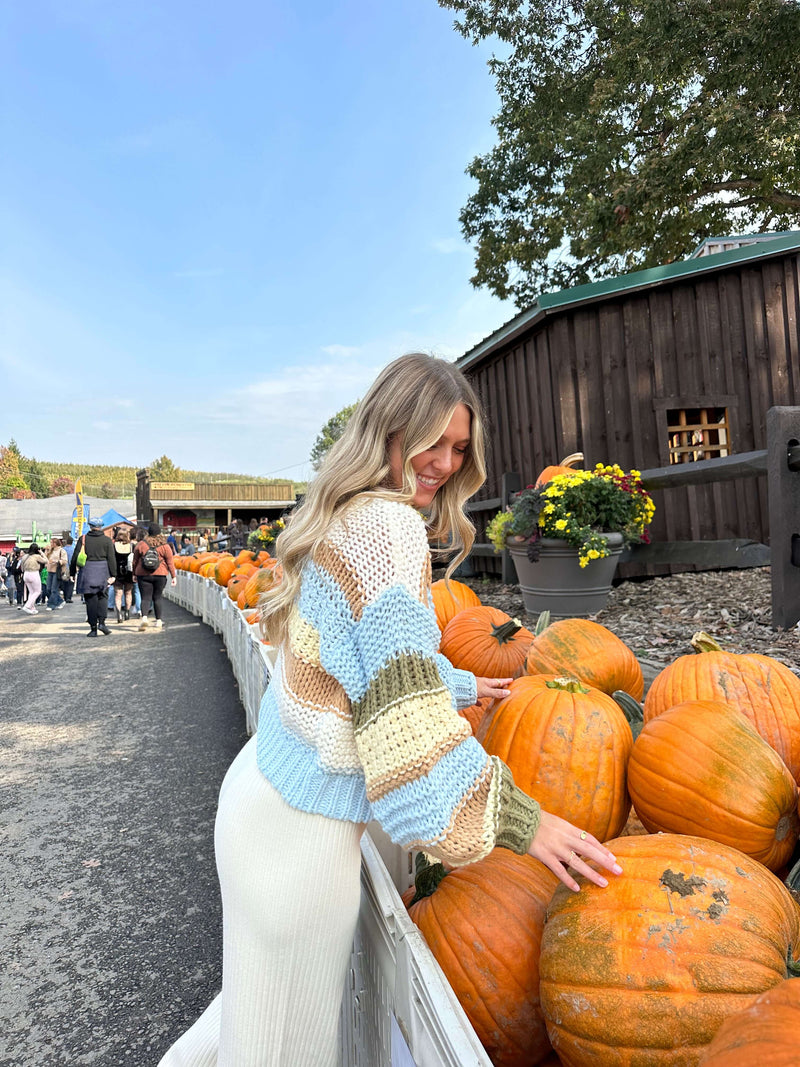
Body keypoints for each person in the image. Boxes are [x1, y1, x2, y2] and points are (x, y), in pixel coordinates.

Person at [156, 353, 623, 1067]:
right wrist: (525, 821)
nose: (442, 462)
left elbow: (354, 658)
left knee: (246, 1023)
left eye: (459, 448)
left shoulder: (349, 511)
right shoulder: (391, 528)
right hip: (303, 844)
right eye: (430, 440)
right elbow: (408, 734)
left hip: (262, 799)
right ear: (388, 428)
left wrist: (465, 686)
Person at [70, 517, 116, 636]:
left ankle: (93, 628)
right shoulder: (107, 540)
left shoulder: (83, 539)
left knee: (90, 600)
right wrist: (113, 575)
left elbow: (75, 556)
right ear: (101, 527)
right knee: (103, 597)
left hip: (87, 570)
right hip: (103, 570)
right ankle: (102, 622)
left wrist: (72, 573)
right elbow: (111, 558)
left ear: (90, 526)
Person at [132, 522, 176, 631]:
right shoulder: (165, 546)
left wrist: (134, 573)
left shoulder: (141, 544)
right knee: (157, 597)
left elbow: (135, 561)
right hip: (160, 574)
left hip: (143, 574)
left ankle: (144, 618)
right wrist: (173, 576)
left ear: (148, 532)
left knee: (145, 597)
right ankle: (159, 621)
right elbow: (170, 562)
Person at [112, 528, 136, 622]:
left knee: (118, 594)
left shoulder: (114, 546)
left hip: (117, 572)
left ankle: (119, 613)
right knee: (128, 592)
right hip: (129, 572)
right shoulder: (131, 546)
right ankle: (127, 611)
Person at [20, 542, 46, 614]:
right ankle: (27, 606)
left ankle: (32, 608)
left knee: (31, 592)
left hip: (26, 574)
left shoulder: (25, 556)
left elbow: (21, 566)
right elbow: (46, 561)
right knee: (37, 591)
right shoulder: (36, 556)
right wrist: (41, 553)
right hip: (34, 573)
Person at [44, 537, 68, 611]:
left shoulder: (62, 551)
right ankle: (60, 601)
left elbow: (65, 560)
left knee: (54, 589)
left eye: (52, 543)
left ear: (55, 543)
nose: (51, 544)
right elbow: (45, 558)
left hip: (57, 571)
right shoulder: (51, 551)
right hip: (49, 570)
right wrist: (46, 550)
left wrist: (56, 561)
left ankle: (51, 604)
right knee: (48, 588)